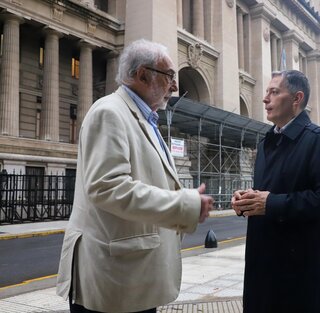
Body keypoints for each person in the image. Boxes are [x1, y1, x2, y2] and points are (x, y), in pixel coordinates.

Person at [56, 39, 214, 313]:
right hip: (114, 282)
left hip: (133, 278)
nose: (175, 86)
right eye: (170, 77)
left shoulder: (144, 118)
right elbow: (107, 187)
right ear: (142, 75)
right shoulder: (109, 112)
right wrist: (182, 205)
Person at [231, 70, 320, 313]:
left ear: (296, 99)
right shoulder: (266, 143)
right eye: (267, 92)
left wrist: (271, 203)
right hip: (261, 271)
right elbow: (269, 194)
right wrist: (247, 201)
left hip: (299, 277)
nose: (265, 99)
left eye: (274, 92)